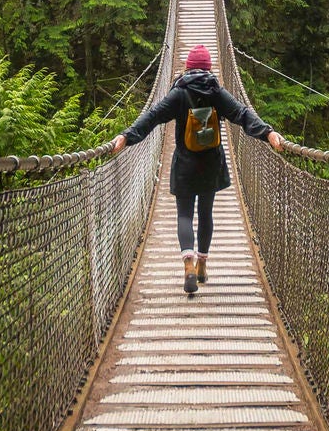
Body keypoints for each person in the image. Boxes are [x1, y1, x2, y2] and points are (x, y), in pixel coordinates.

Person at [110, 44, 285, 294]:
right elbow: (241, 114)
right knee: (205, 213)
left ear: (188, 68)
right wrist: (268, 132)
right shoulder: (216, 91)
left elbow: (153, 115)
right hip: (211, 164)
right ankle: (203, 263)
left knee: (184, 215)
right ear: (209, 67)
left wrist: (127, 136)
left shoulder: (179, 93)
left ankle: (188, 264)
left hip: (185, 164)